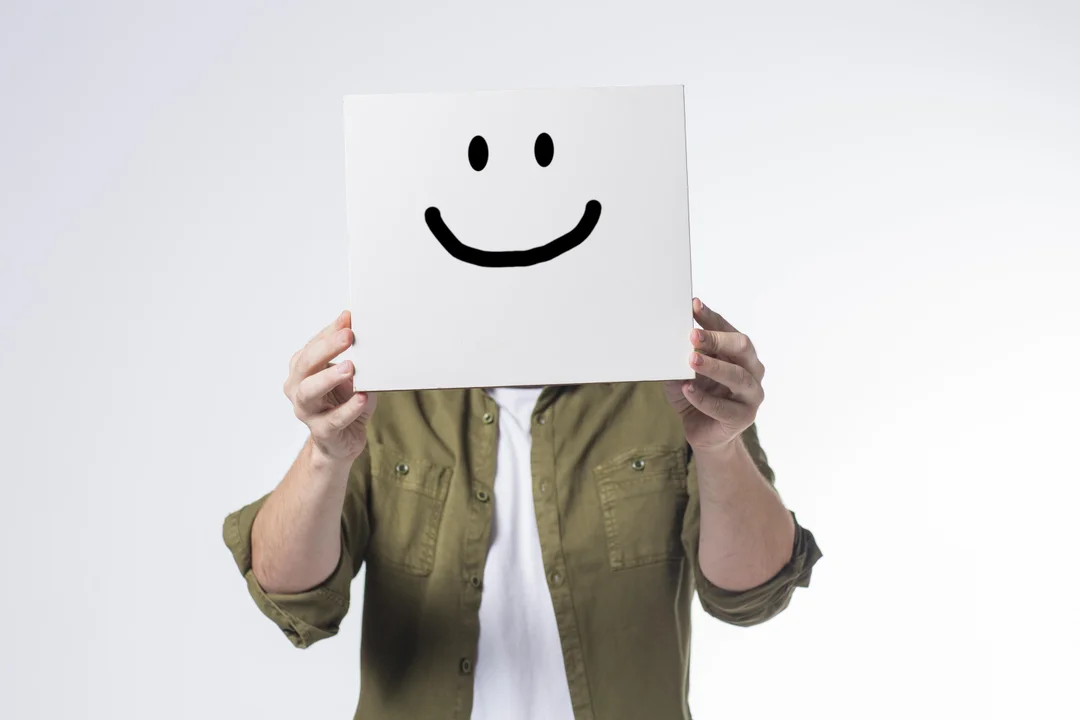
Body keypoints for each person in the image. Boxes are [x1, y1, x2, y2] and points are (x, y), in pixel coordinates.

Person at [222, 297, 821, 720]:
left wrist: (718, 446)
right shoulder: (386, 393)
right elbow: (291, 594)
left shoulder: (673, 389)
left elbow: (751, 592)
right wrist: (325, 453)